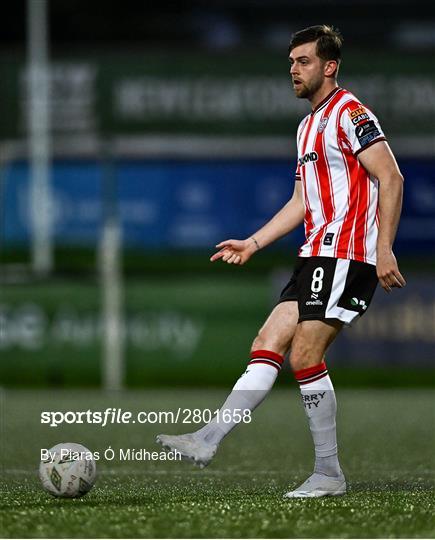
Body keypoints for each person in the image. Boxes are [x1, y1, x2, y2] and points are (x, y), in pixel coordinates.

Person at [157, 24, 406, 498]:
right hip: (314, 254)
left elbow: (390, 176)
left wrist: (383, 247)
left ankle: (329, 474)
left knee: (306, 356)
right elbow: (300, 200)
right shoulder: (307, 125)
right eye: (291, 62)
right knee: (267, 340)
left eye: (304, 61)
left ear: (329, 66)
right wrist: (253, 242)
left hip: (346, 254)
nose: (294, 70)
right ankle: (207, 440)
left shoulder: (350, 113)